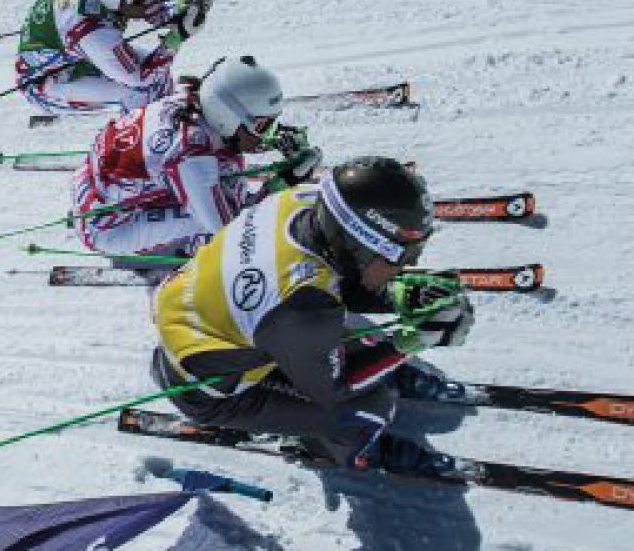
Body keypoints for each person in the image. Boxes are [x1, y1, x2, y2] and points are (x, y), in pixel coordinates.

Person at [148, 156, 473, 470]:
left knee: (345, 333)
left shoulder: (300, 202)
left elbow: (332, 272)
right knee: (370, 409)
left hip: (215, 330)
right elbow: (335, 389)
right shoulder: (303, 305)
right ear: (362, 244)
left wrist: (393, 296)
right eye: (402, 255)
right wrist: (411, 342)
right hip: (212, 392)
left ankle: (367, 368)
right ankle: (345, 449)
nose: (409, 265)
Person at [70, 56, 324, 261]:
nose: (267, 134)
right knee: (215, 223)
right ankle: (192, 253)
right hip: (105, 227)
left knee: (223, 180)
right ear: (228, 115)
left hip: (92, 183)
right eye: (262, 126)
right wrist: (283, 183)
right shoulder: (190, 157)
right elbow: (233, 233)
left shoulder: (195, 101)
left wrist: (274, 140)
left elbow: (223, 140)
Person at [15, 0, 211, 116]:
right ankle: (140, 148)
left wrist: (182, 7)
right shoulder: (92, 31)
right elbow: (140, 77)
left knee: (160, 75)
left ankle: (158, 127)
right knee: (142, 91)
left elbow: (140, 8)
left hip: (76, 56)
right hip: (46, 83)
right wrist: (178, 35)